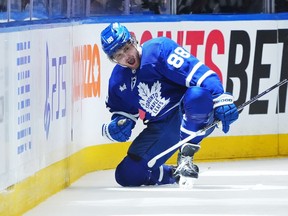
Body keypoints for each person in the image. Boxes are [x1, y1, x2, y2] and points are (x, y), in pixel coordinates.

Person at [100, 22, 239, 187]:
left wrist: (220, 98)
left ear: (134, 40)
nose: (126, 56)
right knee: (127, 174)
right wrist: (118, 125)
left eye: (126, 48)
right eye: (118, 55)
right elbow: (122, 113)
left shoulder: (159, 50)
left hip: (190, 114)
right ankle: (172, 174)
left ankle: (186, 157)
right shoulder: (117, 80)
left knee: (197, 95)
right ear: (113, 59)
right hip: (161, 128)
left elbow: (202, 76)